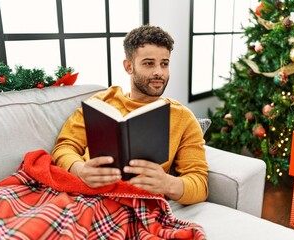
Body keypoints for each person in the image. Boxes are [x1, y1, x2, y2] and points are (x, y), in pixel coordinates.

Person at [52, 24, 208, 205]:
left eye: (164, 64)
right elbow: (64, 146)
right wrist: (80, 169)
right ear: (128, 66)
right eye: (149, 63)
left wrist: (167, 184)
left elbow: (200, 183)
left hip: (133, 203)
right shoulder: (102, 102)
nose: (159, 71)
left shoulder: (182, 117)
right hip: (83, 193)